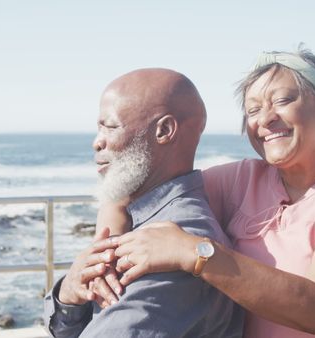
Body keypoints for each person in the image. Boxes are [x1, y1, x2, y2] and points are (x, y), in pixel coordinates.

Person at [95, 48, 315, 337]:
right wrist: (98, 258)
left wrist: (193, 251)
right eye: (253, 110)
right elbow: (135, 192)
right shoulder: (240, 179)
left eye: (283, 100)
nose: (266, 119)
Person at [42, 68, 243, 337]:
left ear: (164, 130)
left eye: (110, 127)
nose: (96, 142)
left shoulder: (178, 243)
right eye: (98, 128)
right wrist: (68, 295)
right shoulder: (141, 219)